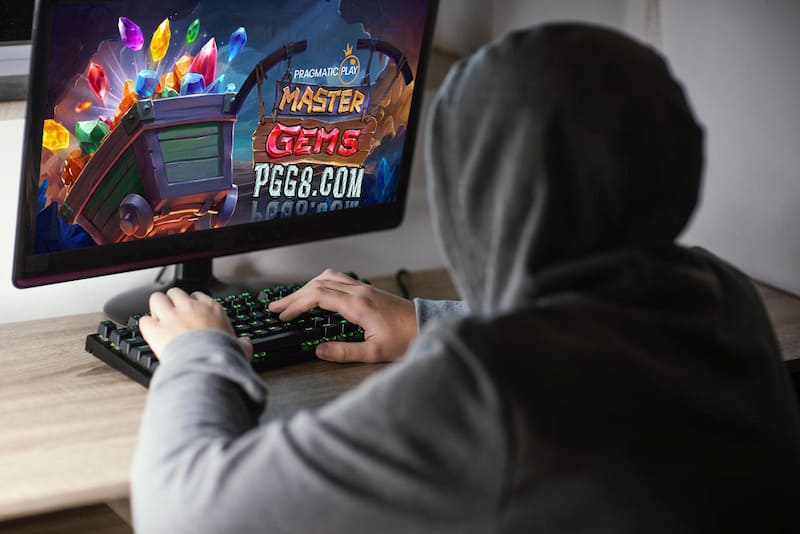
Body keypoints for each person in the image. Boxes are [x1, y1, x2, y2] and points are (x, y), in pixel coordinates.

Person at [131, 24, 800, 533]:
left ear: (474, 191)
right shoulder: (723, 296)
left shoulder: (488, 391)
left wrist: (199, 355)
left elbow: (184, 515)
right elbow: (586, 326)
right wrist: (424, 322)